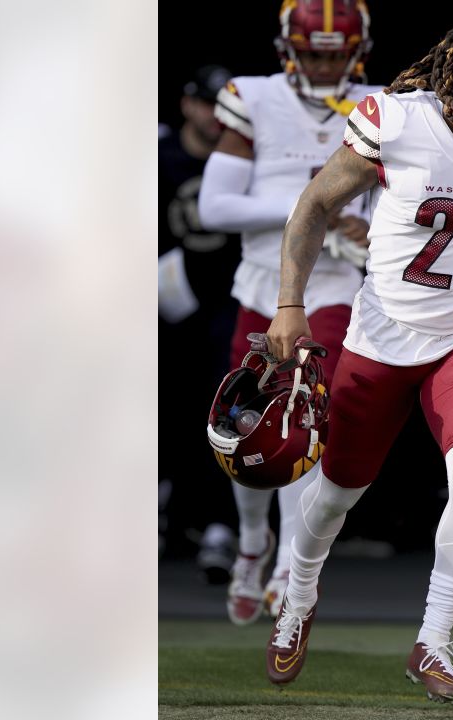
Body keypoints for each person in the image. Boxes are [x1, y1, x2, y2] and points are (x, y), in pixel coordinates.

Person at [263, 18, 453, 706]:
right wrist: (290, 303)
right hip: (384, 334)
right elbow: (313, 205)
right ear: (450, 74)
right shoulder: (396, 121)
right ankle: (299, 595)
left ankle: (433, 638)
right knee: (339, 491)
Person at [197, 0, 382, 626]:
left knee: (304, 416)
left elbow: (405, 200)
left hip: (332, 285)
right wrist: (311, 208)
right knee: (241, 421)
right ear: (288, 48)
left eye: (336, 53)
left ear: (356, 51)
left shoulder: (384, 104)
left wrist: (367, 222)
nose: (326, 63)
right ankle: (253, 544)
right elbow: (215, 206)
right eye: (315, 51)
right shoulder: (255, 97)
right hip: (259, 283)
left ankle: (284, 568)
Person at [159, 64, 241, 566]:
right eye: (210, 105)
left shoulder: (240, 160)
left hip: (226, 301)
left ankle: (218, 523)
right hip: (165, 301)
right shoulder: (161, 158)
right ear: (189, 104)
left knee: (222, 408)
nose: (217, 117)